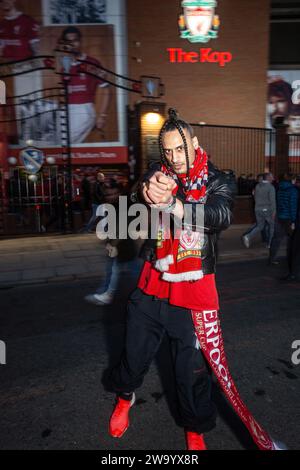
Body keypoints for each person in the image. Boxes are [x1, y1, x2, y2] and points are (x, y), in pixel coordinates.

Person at [106, 109, 286, 451]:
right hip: (152, 283)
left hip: (192, 290)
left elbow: (220, 215)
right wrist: (146, 193)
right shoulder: (159, 172)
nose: (174, 158)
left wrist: (174, 205)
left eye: (180, 149)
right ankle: (125, 397)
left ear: (195, 143)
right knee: (133, 354)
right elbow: (135, 195)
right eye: (168, 151)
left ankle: (194, 427)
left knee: (192, 371)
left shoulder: (220, 179)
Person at [85, 179, 138, 305]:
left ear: (119, 193)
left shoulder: (123, 205)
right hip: (122, 245)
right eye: (108, 194)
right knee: (124, 270)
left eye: (113, 194)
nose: (110, 197)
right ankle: (108, 293)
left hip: (124, 245)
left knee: (121, 270)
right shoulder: (112, 205)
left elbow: (123, 228)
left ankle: (107, 294)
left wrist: (112, 244)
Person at [58, 26, 111, 144]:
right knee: (61, 145)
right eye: (68, 41)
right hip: (65, 110)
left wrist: (102, 116)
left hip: (83, 109)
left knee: (64, 145)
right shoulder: (63, 64)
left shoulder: (92, 63)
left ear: (80, 41)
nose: (72, 44)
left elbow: (106, 89)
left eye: (75, 40)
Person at [269, 173, 298, 265]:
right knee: (293, 240)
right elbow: (293, 206)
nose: (295, 181)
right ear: (291, 180)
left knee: (276, 239)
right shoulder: (293, 190)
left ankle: (271, 259)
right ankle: (292, 260)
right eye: (295, 179)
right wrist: (293, 221)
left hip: (279, 216)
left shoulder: (279, 188)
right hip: (288, 218)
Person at [242, 172, 276, 249]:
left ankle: (248, 236)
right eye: (272, 177)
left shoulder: (257, 186)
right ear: (268, 178)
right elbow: (273, 201)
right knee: (272, 226)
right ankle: (270, 244)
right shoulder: (270, 187)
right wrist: (274, 211)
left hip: (257, 209)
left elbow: (255, 198)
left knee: (260, 226)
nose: (273, 178)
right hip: (267, 209)